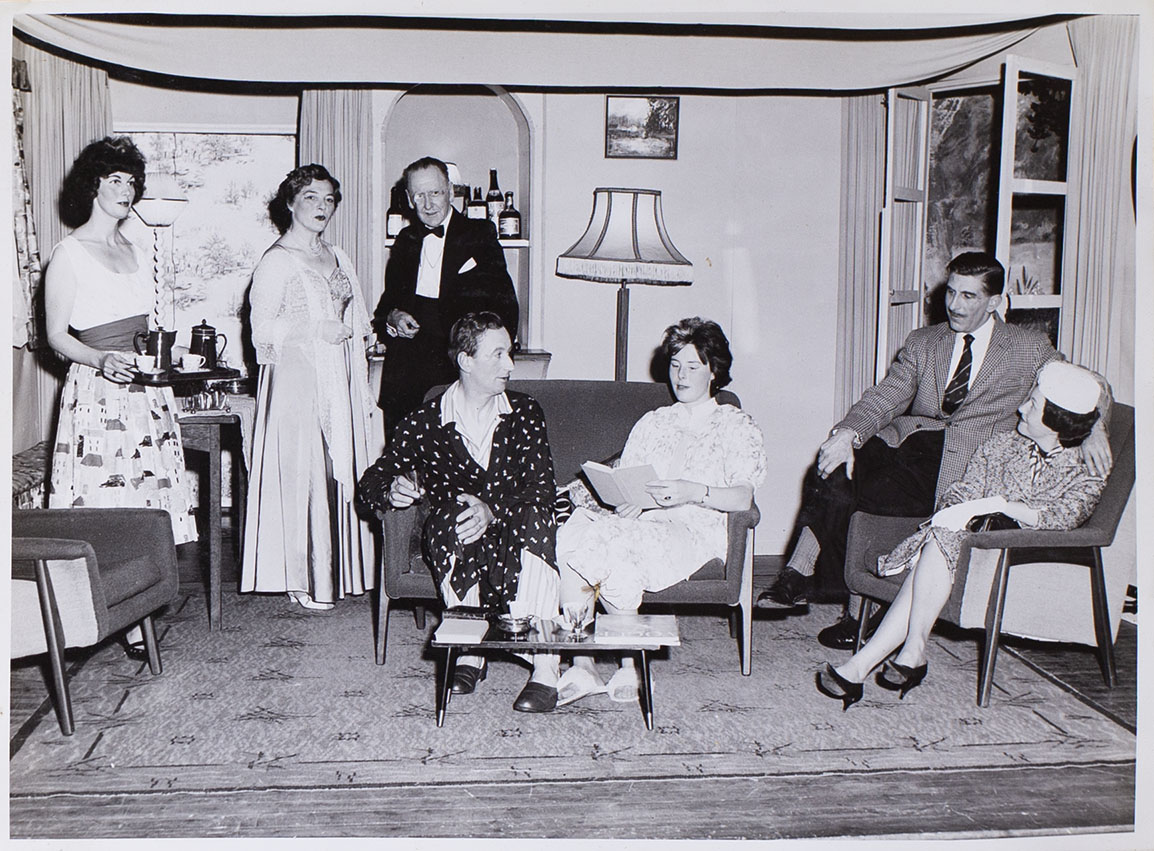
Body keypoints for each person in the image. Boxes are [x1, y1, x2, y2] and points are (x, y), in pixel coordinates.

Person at [757, 252, 1112, 650]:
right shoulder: (925, 342)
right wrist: (846, 434)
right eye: (951, 293)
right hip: (909, 443)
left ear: (994, 302)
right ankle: (799, 574)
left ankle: (851, 607)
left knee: (867, 497)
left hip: (965, 460)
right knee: (835, 466)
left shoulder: (1027, 346)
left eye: (969, 296)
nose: (955, 305)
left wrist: (1095, 424)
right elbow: (886, 397)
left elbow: (1088, 382)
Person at [815, 361, 1110, 709]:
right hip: (965, 546)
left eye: (1033, 403)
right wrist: (960, 508)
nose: (1021, 407)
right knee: (944, 534)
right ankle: (906, 652)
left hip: (1019, 558)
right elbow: (962, 489)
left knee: (941, 539)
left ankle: (871, 663)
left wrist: (998, 504)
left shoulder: (1088, 469)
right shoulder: (1002, 445)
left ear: (1057, 421)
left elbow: (1062, 517)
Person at [554, 318, 767, 706]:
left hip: (695, 529)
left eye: (692, 366)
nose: (681, 376)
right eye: (675, 365)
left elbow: (741, 497)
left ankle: (628, 665)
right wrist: (627, 500)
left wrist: (693, 492)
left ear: (714, 370)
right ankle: (582, 663)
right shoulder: (653, 422)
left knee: (613, 546)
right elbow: (631, 482)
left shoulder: (736, 425)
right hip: (645, 523)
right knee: (578, 529)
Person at [358, 312, 561, 713]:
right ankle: (469, 650)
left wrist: (492, 509)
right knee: (449, 518)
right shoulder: (424, 423)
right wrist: (392, 489)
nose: (510, 365)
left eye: (510, 353)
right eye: (498, 354)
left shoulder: (524, 413)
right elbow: (370, 482)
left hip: (518, 527)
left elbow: (542, 487)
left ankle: (546, 666)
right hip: (460, 538)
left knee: (536, 515)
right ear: (467, 361)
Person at [45, 135, 198, 545]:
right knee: (104, 512)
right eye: (115, 180)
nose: (126, 191)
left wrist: (187, 355)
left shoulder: (137, 249)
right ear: (92, 185)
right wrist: (100, 360)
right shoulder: (69, 253)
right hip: (99, 390)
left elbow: (146, 333)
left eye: (131, 182)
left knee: (150, 505)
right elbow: (56, 335)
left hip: (147, 391)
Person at [241, 164, 376, 611]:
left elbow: (357, 317)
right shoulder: (276, 260)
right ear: (291, 202)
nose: (322, 207)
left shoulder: (340, 256)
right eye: (312, 197)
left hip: (339, 375)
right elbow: (262, 331)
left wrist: (362, 334)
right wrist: (317, 328)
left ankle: (342, 572)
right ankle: (305, 577)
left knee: (342, 467)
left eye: (329, 199)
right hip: (299, 381)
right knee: (308, 471)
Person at [374, 156, 517, 437]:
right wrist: (393, 317)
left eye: (435, 193)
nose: (428, 204)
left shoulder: (480, 234)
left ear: (451, 191)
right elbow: (385, 307)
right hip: (407, 371)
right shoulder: (404, 241)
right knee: (406, 457)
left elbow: (505, 305)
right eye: (419, 195)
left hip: (458, 366)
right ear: (409, 199)